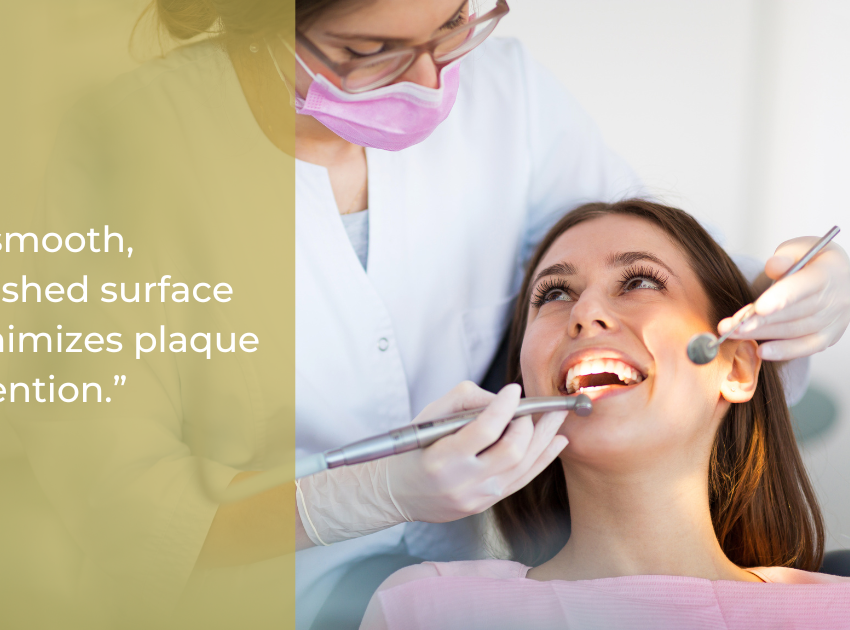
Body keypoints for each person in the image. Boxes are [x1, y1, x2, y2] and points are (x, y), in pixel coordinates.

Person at [11, 0, 850, 627]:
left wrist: (778, 284)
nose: (428, 79)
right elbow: (113, 501)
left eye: (454, 23)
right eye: (368, 48)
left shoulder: (507, 96)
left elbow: (638, 254)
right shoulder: (131, 147)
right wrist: (358, 497)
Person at [360, 199, 850, 630]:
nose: (584, 311)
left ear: (737, 366)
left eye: (639, 281)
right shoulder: (424, 610)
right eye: (553, 294)